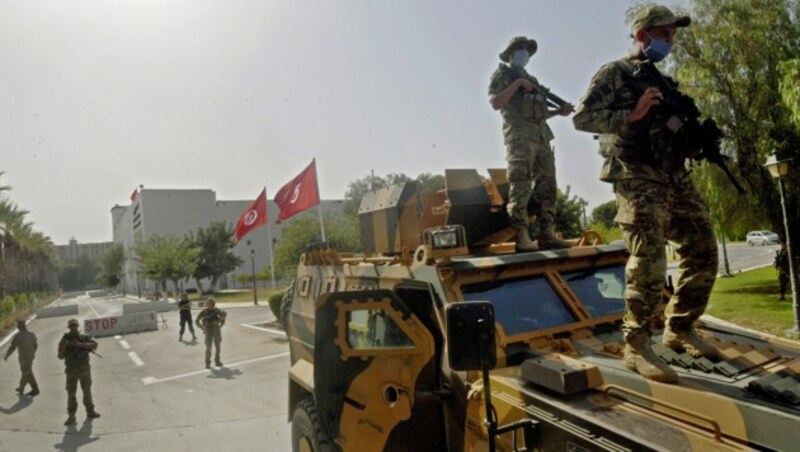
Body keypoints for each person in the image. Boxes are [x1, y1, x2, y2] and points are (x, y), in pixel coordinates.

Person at [573, 5, 718, 383]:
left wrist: (695, 140)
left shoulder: (662, 80)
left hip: (673, 175)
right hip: (636, 175)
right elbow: (582, 117)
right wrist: (631, 114)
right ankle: (636, 347)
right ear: (642, 35)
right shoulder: (615, 73)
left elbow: (671, 125)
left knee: (703, 248)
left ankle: (680, 328)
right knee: (650, 260)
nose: (670, 40)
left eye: (672, 34)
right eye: (665, 34)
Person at [488, 36, 575, 252]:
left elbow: (540, 114)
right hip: (519, 137)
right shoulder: (503, 74)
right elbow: (495, 102)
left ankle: (547, 233)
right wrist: (517, 83)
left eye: (527, 50)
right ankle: (522, 235)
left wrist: (559, 111)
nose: (525, 53)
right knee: (521, 185)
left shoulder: (533, 80)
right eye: (520, 49)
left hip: (542, 137)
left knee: (547, 185)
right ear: (510, 53)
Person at [58, 318, 100, 425]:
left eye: (75, 326)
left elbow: (95, 344)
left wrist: (79, 345)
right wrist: (66, 345)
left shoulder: (84, 337)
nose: (73, 328)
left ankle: (90, 411)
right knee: (71, 393)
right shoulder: (65, 339)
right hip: (71, 371)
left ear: (78, 326)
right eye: (71, 326)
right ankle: (71, 415)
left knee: (87, 391)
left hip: (84, 369)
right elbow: (60, 356)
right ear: (68, 327)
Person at [3, 320, 39, 396]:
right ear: (25, 326)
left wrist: (7, 355)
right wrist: (32, 354)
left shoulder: (18, 336)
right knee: (26, 372)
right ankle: (21, 388)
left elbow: (12, 347)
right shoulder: (32, 334)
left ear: (19, 327)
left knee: (27, 373)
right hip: (30, 357)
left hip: (23, 358)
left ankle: (35, 389)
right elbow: (35, 346)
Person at [195, 297, 227, 368]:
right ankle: (207, 362)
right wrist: (202, 328)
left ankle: (217, 361)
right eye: (207, 303)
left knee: (218, 347)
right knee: (208, 348)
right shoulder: (204, 312)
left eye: (209, 303)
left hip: (216, 330)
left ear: (213, 304)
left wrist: (222, 320)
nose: (207, 304)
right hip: (208, 331)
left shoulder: (217, 311)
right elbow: (196, 320)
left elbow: (223, 317)